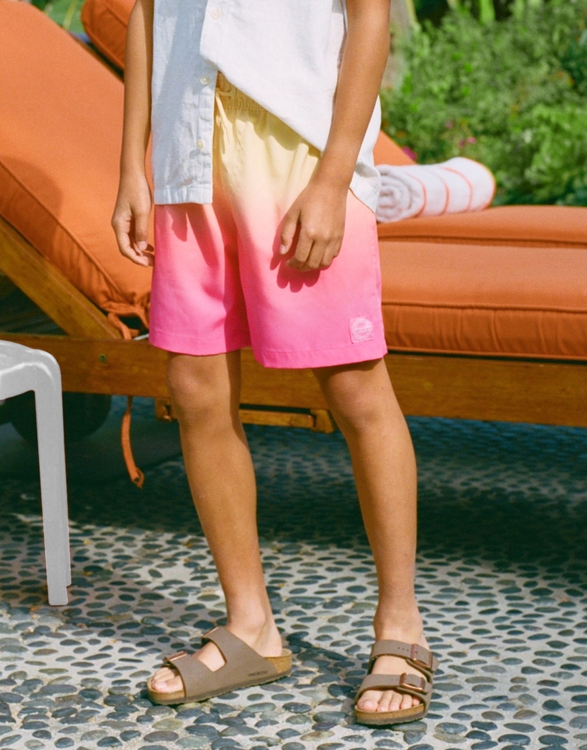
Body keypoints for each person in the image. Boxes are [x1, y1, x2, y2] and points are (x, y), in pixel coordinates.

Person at [112, 0, 438, 726]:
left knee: (354, 385)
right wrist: (131, 166)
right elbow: (145, 12)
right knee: (193, 386)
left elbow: (369, 20)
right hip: (187, 151)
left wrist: (333, 176)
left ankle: (402, 626)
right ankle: (251, 625)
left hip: (297, 151)